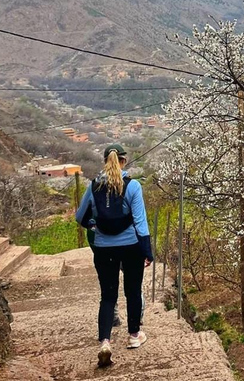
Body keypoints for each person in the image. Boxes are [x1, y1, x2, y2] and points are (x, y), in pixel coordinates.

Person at [76, 144, 154, 368]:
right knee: (132, 291)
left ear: (105, 161)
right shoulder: (133, 186)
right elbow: (140, 221)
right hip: (130, 247)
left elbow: (80, 217)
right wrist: (147, 251)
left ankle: (105, 342)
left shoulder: (94, 186)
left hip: (103, 248)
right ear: (123, 161)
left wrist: (94, 226)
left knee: (108, 296)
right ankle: (134, 335)